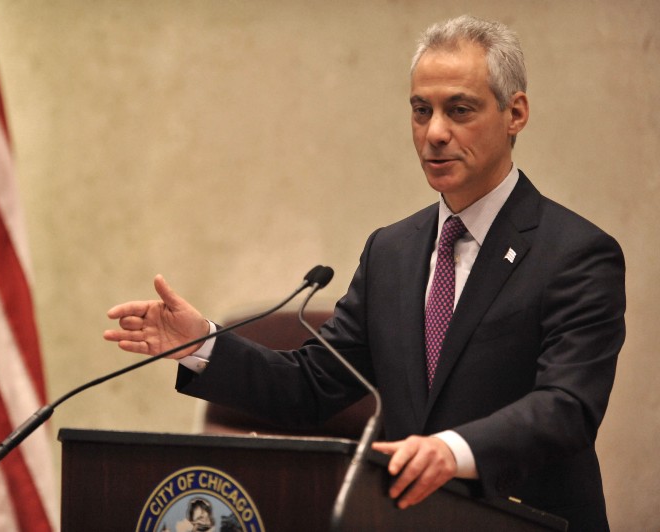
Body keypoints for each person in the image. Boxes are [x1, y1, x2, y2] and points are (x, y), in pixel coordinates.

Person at [104, 15, 625, 531]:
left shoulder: (575, 254)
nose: (435, 133)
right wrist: (203, 344)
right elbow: (312, 386)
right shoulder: (392, 252)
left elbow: (567, 407)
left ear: (516, 113)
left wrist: (453, 451)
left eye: (459, 110)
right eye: (421, 111)